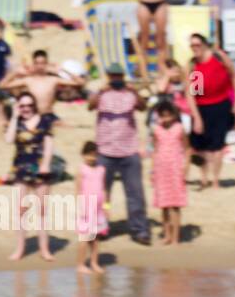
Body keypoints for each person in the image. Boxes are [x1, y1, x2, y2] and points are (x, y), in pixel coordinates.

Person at [91, 64, 149, 246]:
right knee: (100, 193)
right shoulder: (102, 94)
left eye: (118, 76)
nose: (116, 79)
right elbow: (89, 105)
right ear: (108, 76)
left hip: (129, 150)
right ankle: (98, 227)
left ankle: (139, 230)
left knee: (135, 193)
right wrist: (101, 91)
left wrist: (134, 91)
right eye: (113, 76)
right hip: (105, 150)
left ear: (123, 76)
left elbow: (143, 107)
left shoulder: (129, 93)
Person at [6, 91, 56, 261]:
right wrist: (14, 117)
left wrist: (45, 164)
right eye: (22, 106)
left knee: (41, 211)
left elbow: (49, 144)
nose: (26, 108)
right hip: (21, 168)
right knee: (20, 211)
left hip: (40, 167)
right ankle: (20, 249)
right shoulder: (17, 122)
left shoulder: (45, 121)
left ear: (34, 105)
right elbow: (8, 139)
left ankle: (44, 249)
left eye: (29, 105)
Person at [185, 34, 235, 190]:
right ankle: (204, 177)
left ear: (204, 45)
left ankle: (215, 179)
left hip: (221, 105)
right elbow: (193, 93)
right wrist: (197, 117)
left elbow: (234, 76)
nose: (195, 48)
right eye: (192, 46)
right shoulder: (194, 66)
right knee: (201, 147)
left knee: (218, 145)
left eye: (197, 45)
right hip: (202, 107)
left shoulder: (219, 58)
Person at [152, 100, 187, 247]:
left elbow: (187, 148)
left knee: (175, 205)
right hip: (161, 170)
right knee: (164, 205)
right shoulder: (156, 130)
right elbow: (155, 150)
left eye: (168, 116)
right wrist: (152, 170)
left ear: (174, 115)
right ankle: (167, 234)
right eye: (163, 116)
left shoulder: (179, 128)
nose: (166, 119)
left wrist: (186, 168)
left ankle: (175, 237)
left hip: (175, 169)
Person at [75, 141, 106, 273]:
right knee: (85, 238)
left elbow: (104, 189)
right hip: (86, 209)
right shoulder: (81, 170)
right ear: (83, 155)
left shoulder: (101, 169)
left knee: (96, 239)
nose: (91, 158)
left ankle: (94, 262)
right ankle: (81, 264)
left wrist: (106, 207)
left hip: (98, 210)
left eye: (94, 155)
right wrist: (80, 207)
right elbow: (78, 190)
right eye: (88, 155)